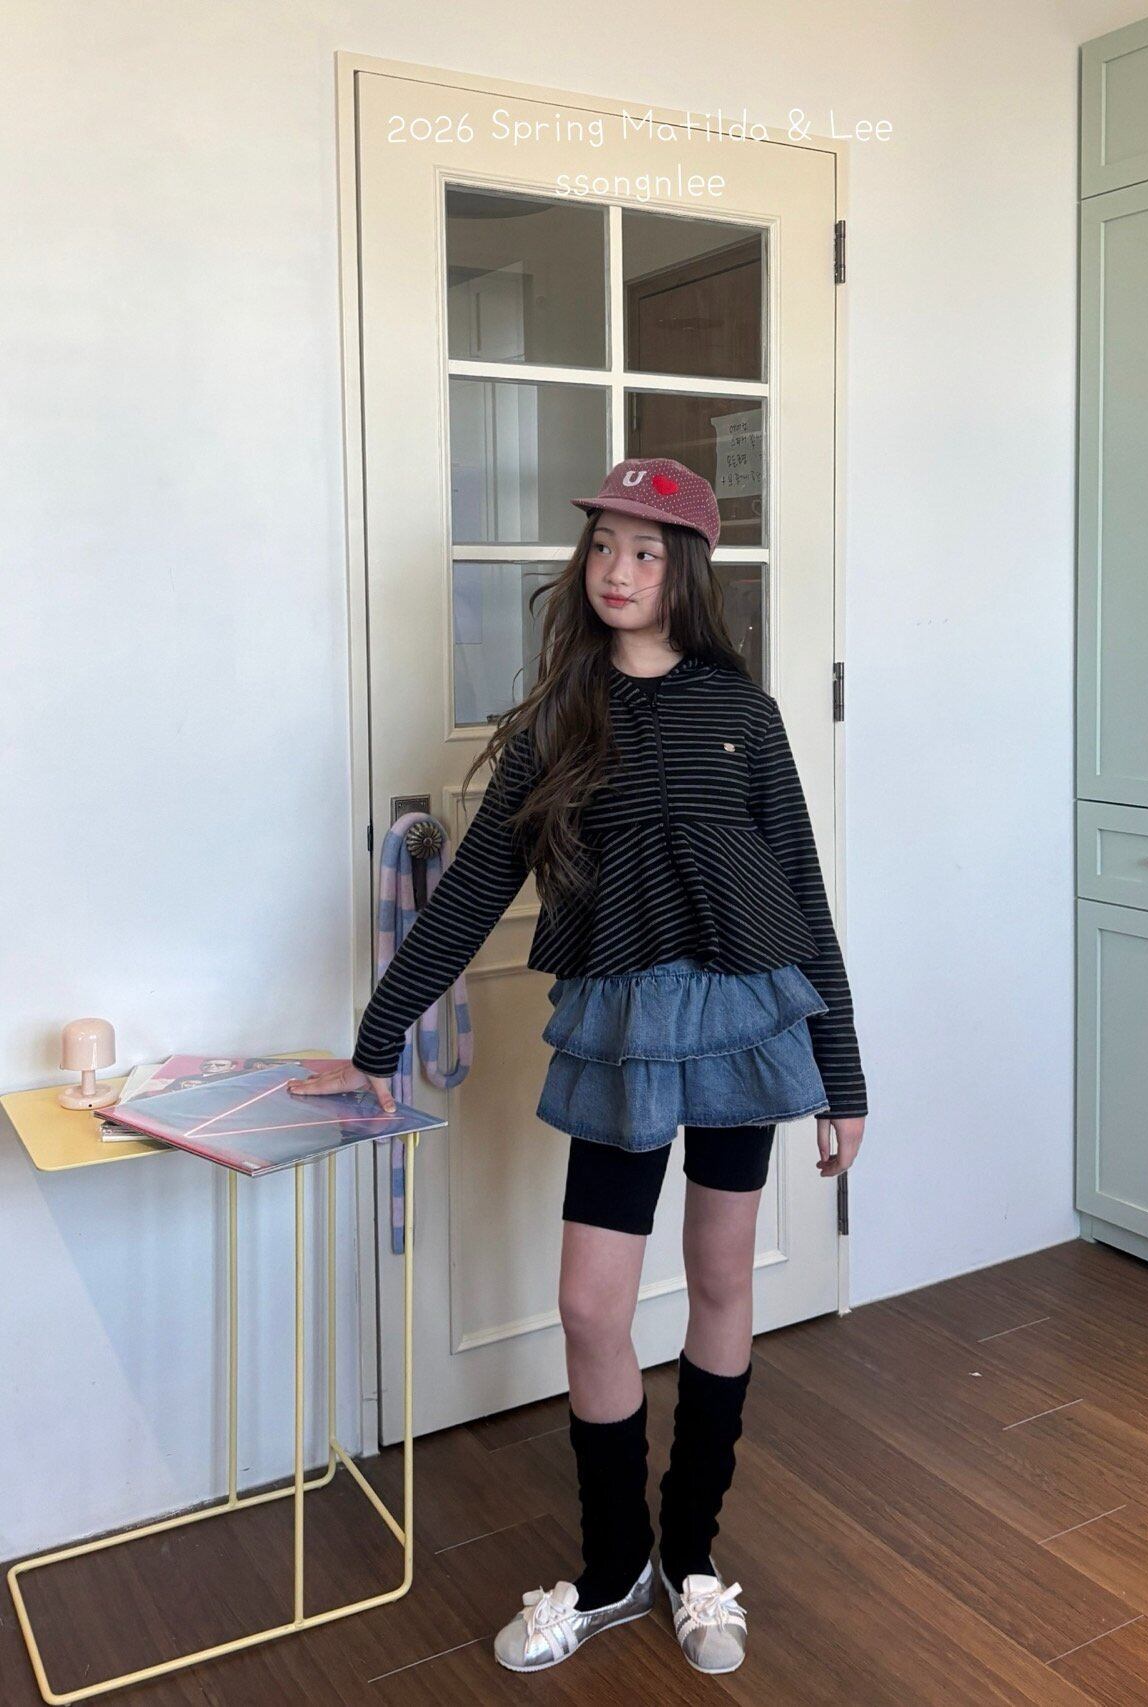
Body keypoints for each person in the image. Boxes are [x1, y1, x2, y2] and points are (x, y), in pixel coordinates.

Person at [287, 455, 868, 1676]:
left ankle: (691, 1559)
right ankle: (612, 1571)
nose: (616, 568)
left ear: (685, 569)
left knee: (720, 1281)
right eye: (603, 544)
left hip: (745, 1023)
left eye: (644, 550)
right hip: (620, 1030)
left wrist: (843, 1074)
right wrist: (376, 1040)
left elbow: (801, 893)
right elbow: (470, 893)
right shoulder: (560, 716)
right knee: (592, 1304)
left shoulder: (743, 712)